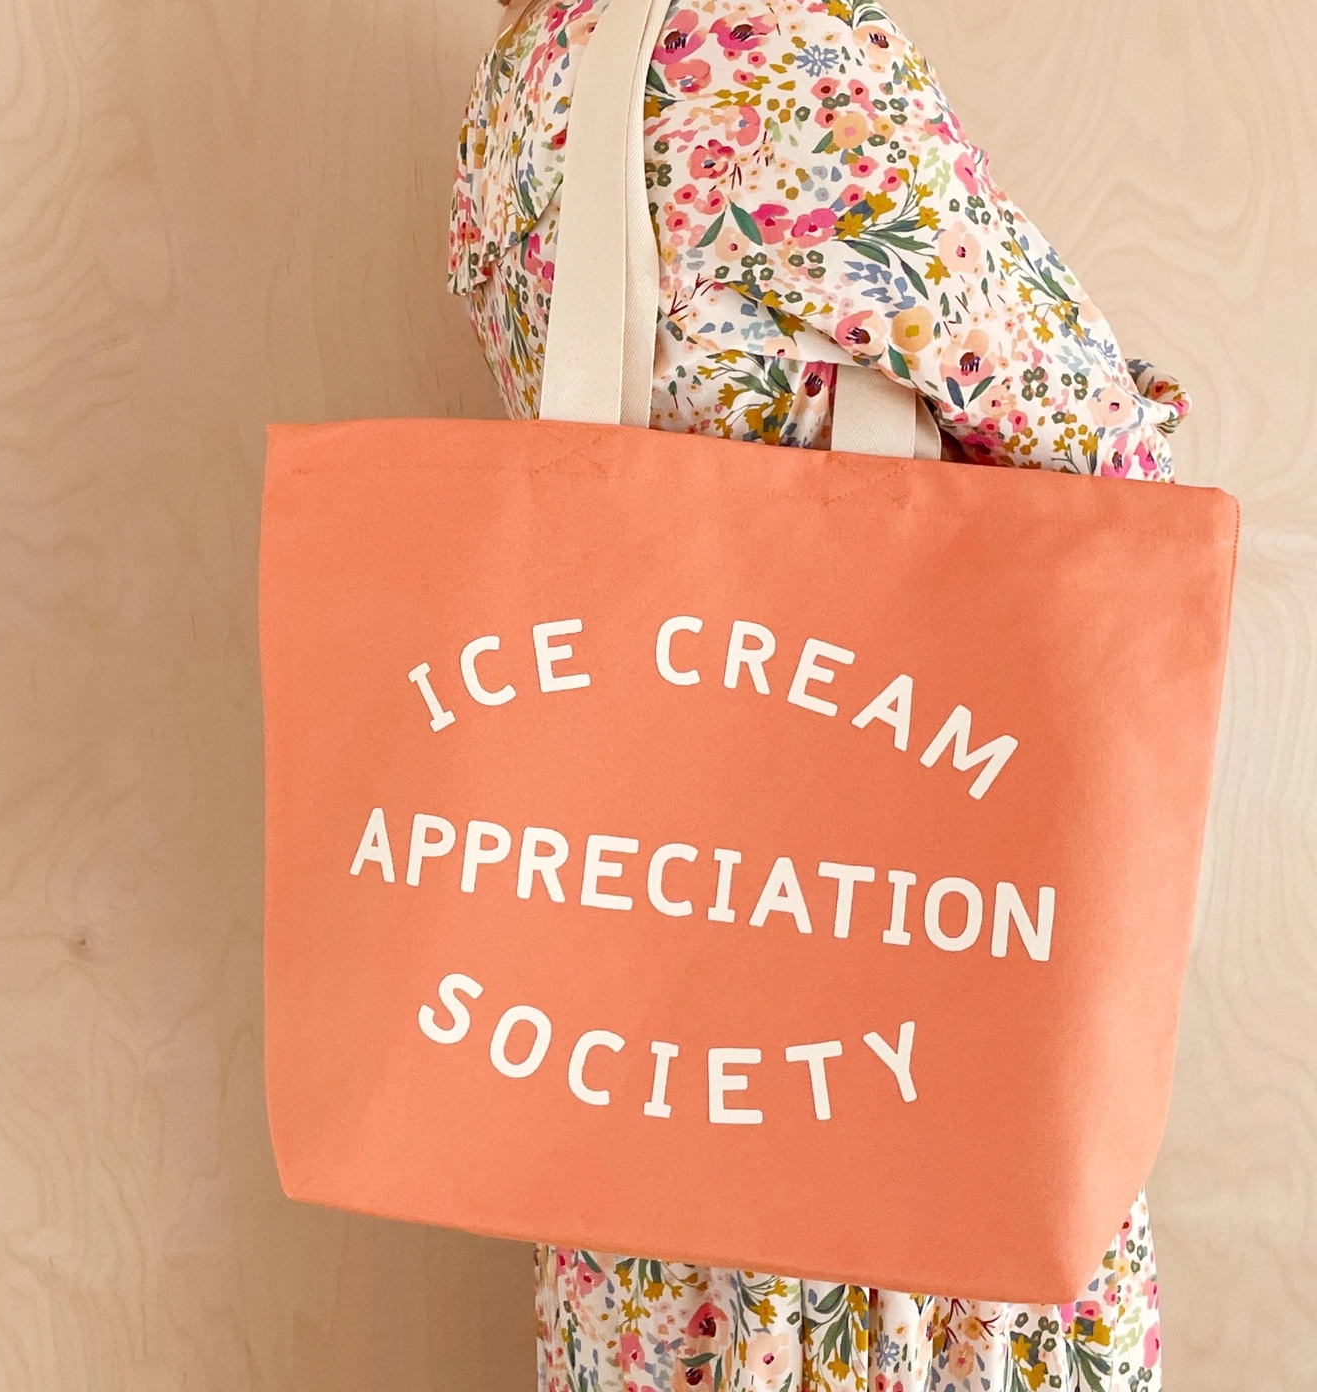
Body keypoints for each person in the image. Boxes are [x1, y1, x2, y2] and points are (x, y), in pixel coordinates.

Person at [449, 3, 1175, 1387]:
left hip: (643, 977)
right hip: (876, 968)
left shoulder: (532, 68)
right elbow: (1102, 458)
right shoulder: (782, 49)